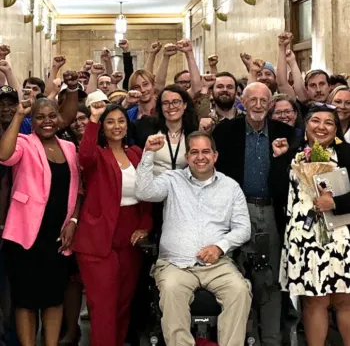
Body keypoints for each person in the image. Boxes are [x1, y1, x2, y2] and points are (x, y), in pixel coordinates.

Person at [135, 131, 252, 346]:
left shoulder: (231, 187)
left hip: (217, 265)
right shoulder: (172, 180)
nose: (200, 157)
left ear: (215, 156)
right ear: (187, 157)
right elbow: (143, 192)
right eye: (194, 152)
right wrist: (148, 153)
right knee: (171, 289)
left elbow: (243, 228)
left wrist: (220, 246)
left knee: (240, 290)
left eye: (206, 151)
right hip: (175, 264)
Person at [212, 82, 296, 346]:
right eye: (252, 100)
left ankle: (271, 339)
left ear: (271, 105)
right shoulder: (225, 131)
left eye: (264, 100)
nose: (258, 105)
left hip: (270, 211)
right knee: (235, 278)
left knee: (269, 279)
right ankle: (240, 338)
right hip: (234, 211)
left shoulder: (287, 133)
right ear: (242, 103)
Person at [0, 98, 81, 346]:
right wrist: (18, 115)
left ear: (58, 118)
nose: (47, 121)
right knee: (26, 301)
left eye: (51, 116)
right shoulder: (24, 143)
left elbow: (78, 189)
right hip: (26, 236)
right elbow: (4, 155)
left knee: (54, 298)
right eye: (39, 117)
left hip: (57, 237)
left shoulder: (69, 147)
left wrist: (74, 221)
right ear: (32, 121)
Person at [72, 102, 152, 346]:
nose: (117, 126)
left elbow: (147, 193)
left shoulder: (137, 153)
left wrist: (145, 225)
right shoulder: (96, 155)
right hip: (98, 237)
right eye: (110, 121)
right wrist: (93, 119)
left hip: (130, 235)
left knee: (122, 304)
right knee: (103, 305)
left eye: (121, 121)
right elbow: (84, 155)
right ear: (102, 128)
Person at [279, 103, 350, 346]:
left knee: (344, 299)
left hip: (342, 237)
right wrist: (279, 159)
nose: (321, 127)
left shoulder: (348, 153)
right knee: (313, 300)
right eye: (315, 121)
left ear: (336, 128)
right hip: (303, 238)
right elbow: (277, 191)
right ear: (305, 124)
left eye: (328, 122)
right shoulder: (292, 153)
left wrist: (336, 203)